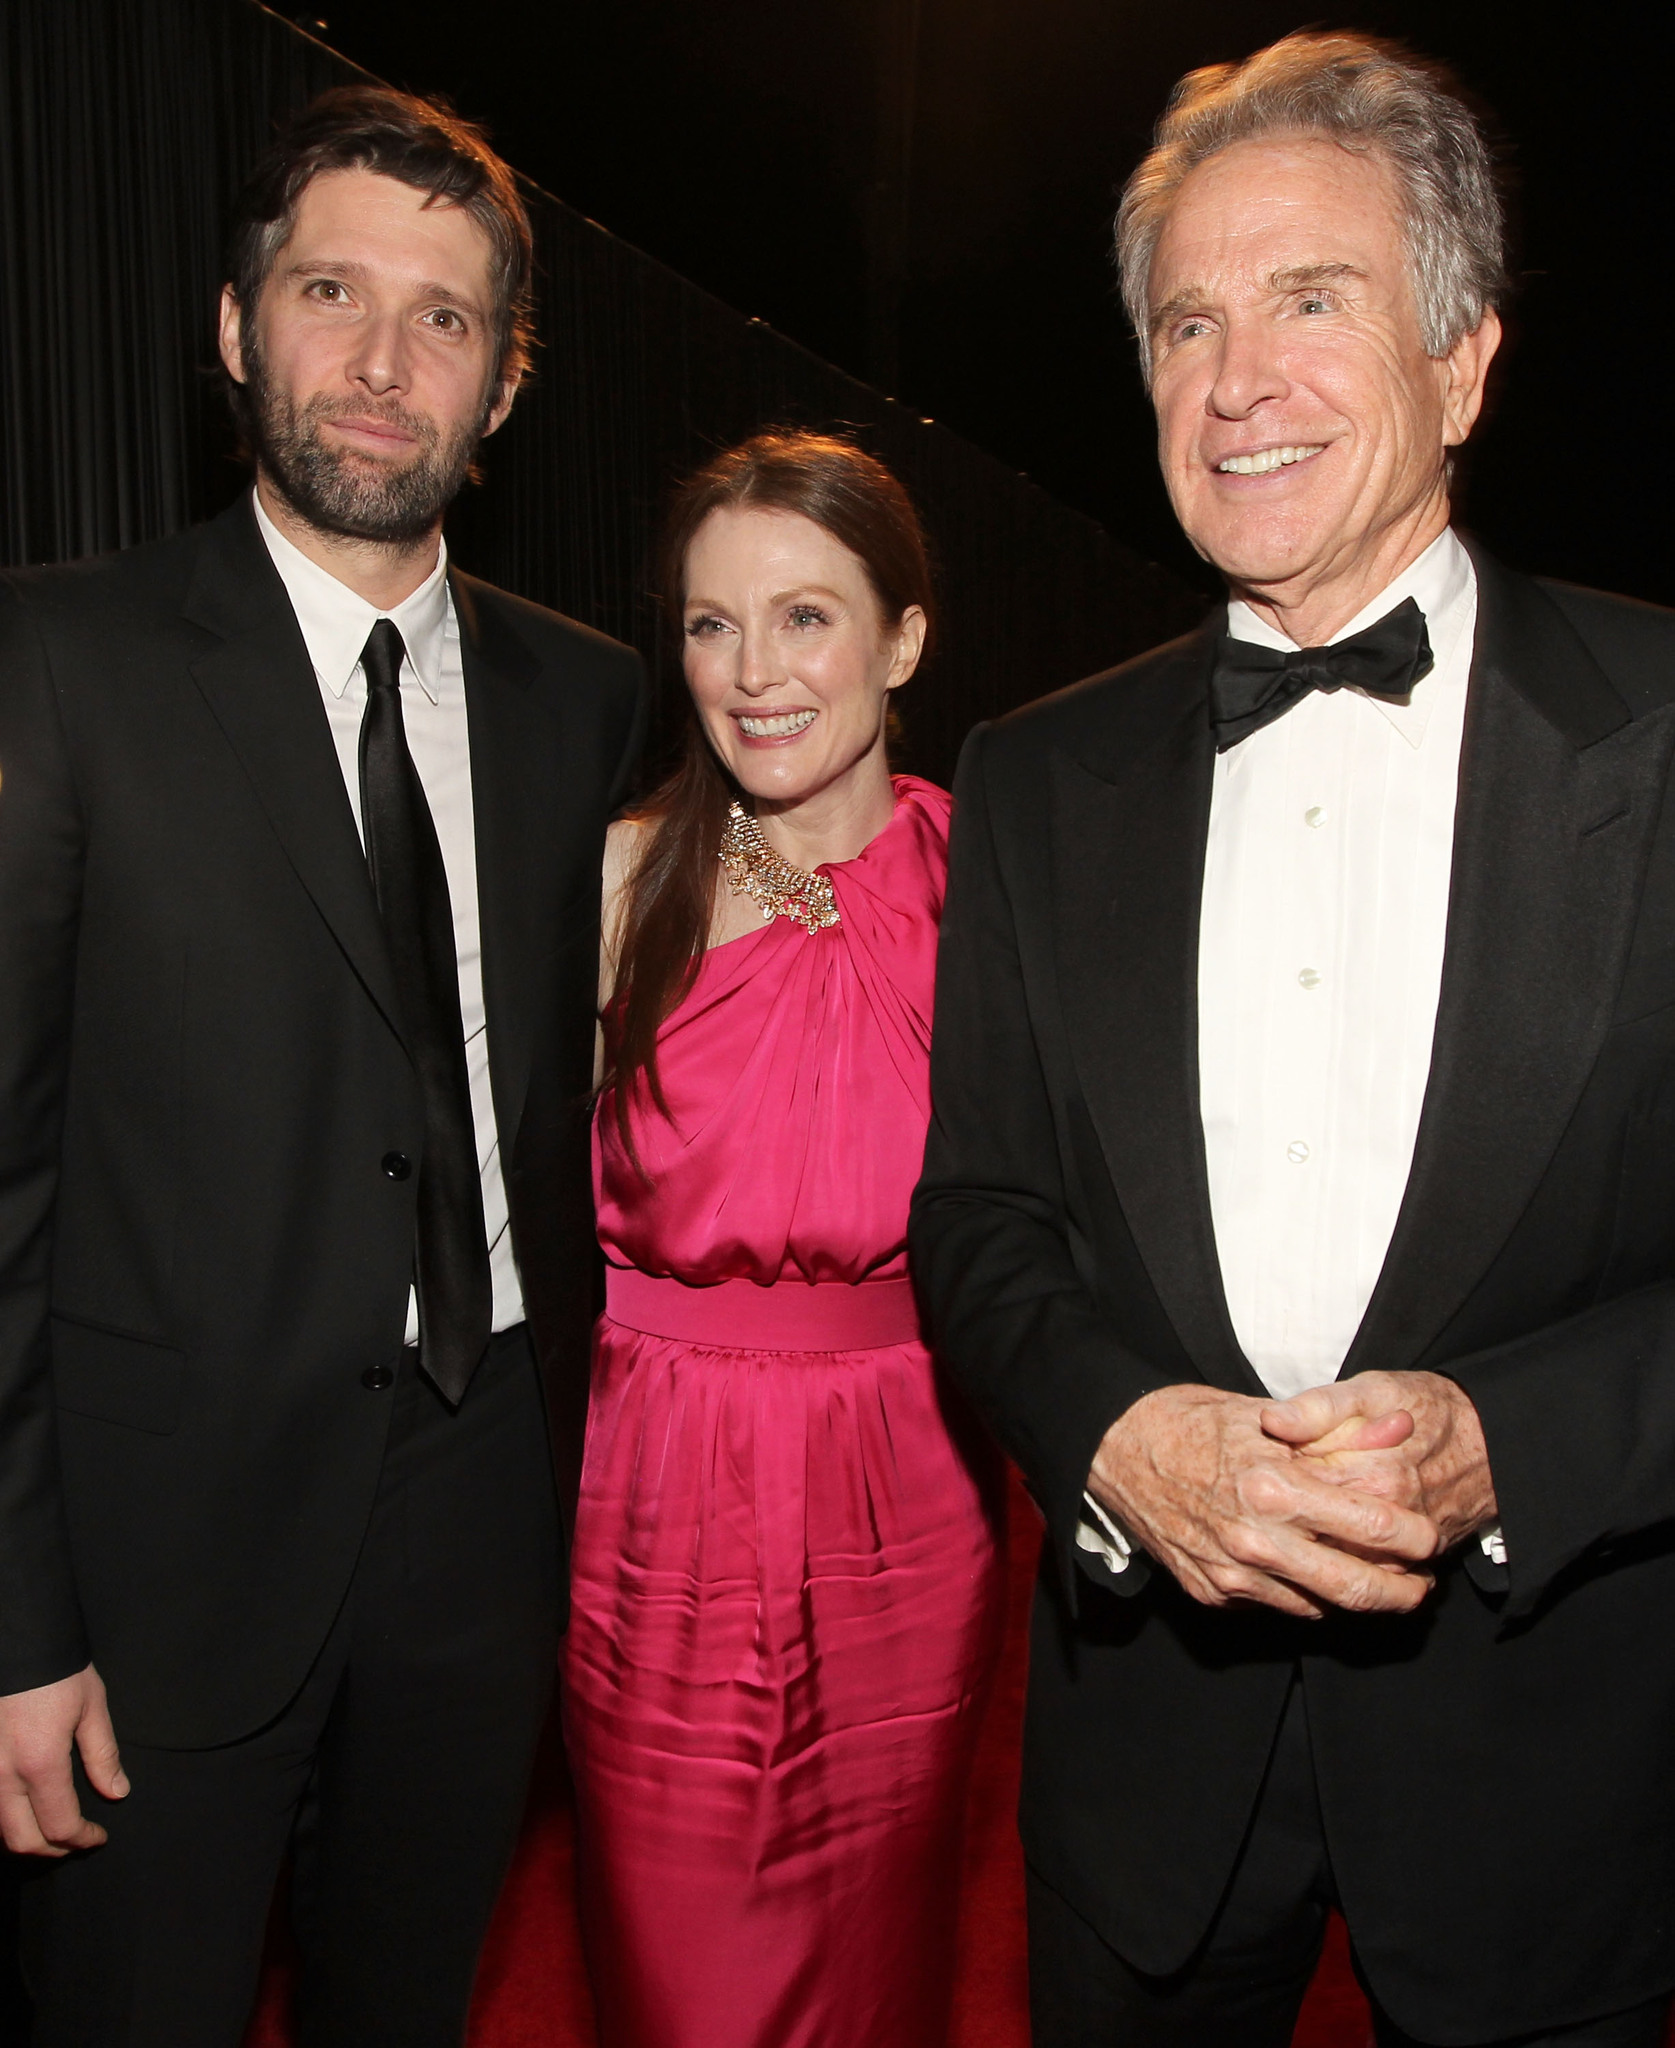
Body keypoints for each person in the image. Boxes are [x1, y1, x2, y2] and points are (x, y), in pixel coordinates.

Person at [912, 31, 1675, 2048]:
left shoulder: (1669, 729)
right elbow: (978, 1217)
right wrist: (1116, 1435)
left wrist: (1514, 1442)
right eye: (1187, 319)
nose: (1233, 376)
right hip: (1144, 1788)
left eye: (1310, 300)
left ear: (1463, 362)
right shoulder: (1030, 772)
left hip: (1556, 1787)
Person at [0, 86, 644, 2047]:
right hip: (150, 1558)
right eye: (331, 292)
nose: (382, 362)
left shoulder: (583, 694)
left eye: (444, 318)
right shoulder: (56, 661)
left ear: (505, 382)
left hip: (479, 1513)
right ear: (228, 326)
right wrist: (15, 1630)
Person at [563, 430, 1005, 2048]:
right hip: (654, 1499)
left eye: (805, 618)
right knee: (681, 1981)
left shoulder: (996, 882)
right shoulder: (614, 881)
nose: (753, 674)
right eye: (709, 624)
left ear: (902, 636)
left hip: (911, 1492)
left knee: (881, 1969)